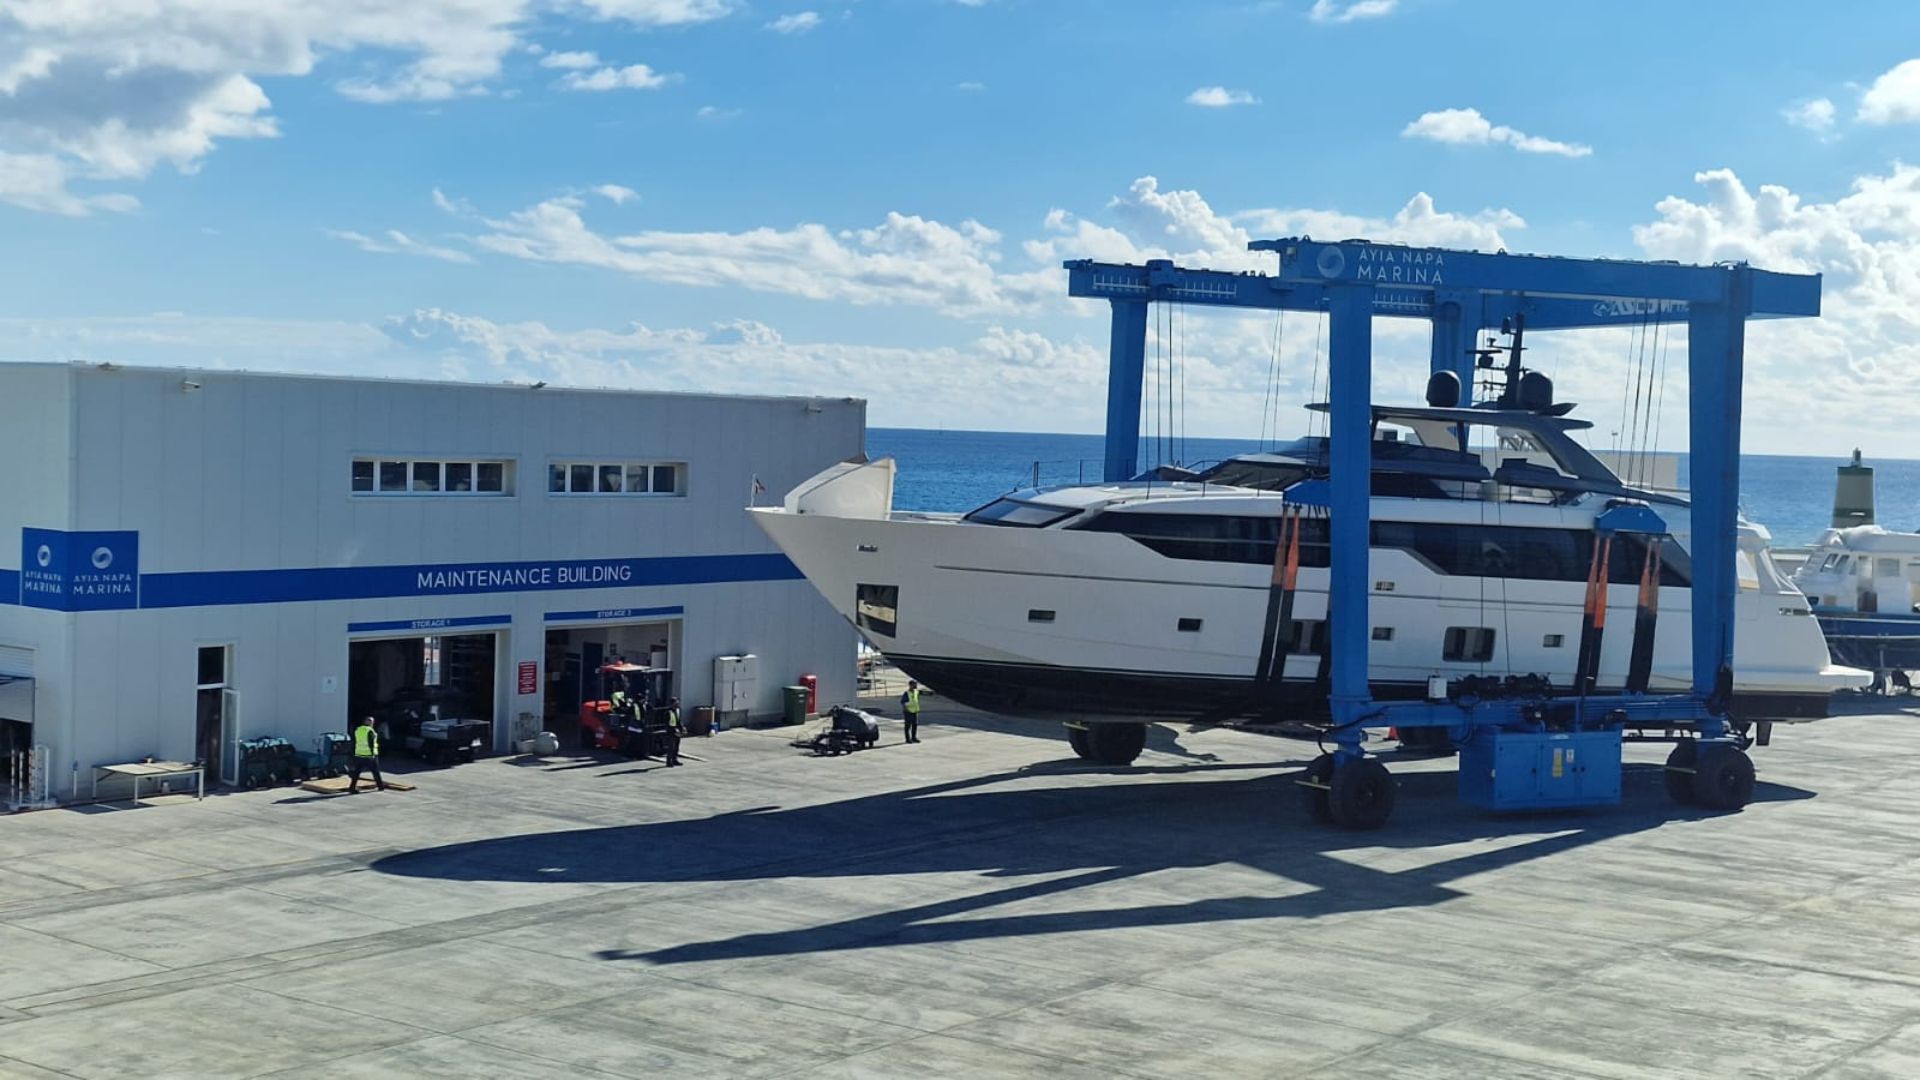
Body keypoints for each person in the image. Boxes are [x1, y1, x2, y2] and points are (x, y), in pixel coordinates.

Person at [348, 715, 387, 793]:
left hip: (359, 755)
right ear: (367, 722)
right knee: (375, 771)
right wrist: (372, 754)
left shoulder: (358, 730)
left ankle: (352, 788)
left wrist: (353, 753)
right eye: (371, 721)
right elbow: (371, 743)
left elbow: (354, 742)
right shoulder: (370, 731)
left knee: (357, 772)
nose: (372, 723)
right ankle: (380, 786)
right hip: (369, 756)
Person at [664, 697, 683, 766]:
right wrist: (673, 729)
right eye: (675, 703)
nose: (677, 704)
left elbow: (678, 720)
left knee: (676, 747)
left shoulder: (678, 710)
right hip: (671, 731)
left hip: (677, 731)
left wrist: (682, 728)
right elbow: (667, 723)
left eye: (677, 702)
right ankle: (669, 762)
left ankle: (675, 760)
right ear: (672, 704)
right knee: (671, 747)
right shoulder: (668, 712)